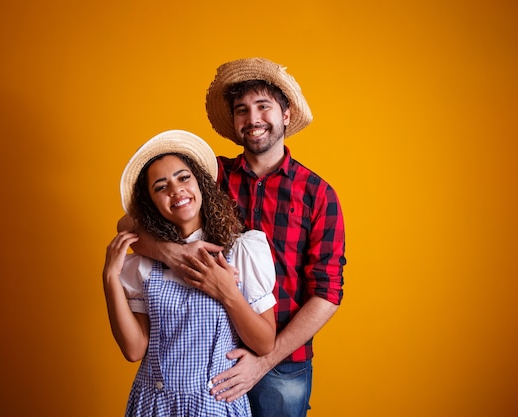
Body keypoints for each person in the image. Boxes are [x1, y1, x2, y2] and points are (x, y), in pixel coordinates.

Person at [118, 58, 346, 417]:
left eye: (263, 107)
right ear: (235, 122)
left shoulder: (318, 194)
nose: (253, 118)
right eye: (242, 110)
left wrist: (263, 361)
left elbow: (328, 293)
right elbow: (128, 224)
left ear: (285, 115)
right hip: (204, 356)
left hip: (282, 363)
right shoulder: (208, 176)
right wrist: (172, 253)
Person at [102, 129, 277, 417]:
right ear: (150, 202)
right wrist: (110, 279)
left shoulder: (241, 249)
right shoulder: (144, 263)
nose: (176, 190)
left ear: (200, 183)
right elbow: (134, 350)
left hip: (216, 406)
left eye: (183, 177)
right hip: (154, 406)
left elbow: (264, 342)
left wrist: (226, 291)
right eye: (161, 186)